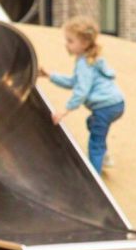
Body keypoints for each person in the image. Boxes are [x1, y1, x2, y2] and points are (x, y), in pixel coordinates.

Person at [39, 16, 125, 175]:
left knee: (95, 143)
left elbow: (81, 91)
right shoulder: (90, 59)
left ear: (84, 43)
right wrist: (50, 75)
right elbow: (74, 82)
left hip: (105, 107)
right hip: (117, 104)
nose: (67, 44)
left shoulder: (84, 64)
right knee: (92, 123)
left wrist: (65, 110)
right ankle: (104, 156)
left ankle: (94, 176)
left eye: (70, 41)